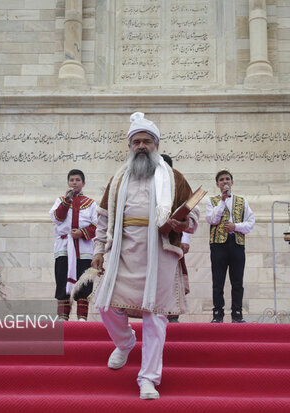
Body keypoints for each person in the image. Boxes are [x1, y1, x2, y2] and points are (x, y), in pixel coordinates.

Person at [91, 112, 199, 399]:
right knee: (104, 306)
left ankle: (148, 379)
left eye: (146, 141)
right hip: (122, 253)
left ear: (156, 145)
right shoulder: (117, 179)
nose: (141, 146)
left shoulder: (174, 177)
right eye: (136, 141)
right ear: (129, 146)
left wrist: (182, 223)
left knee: (156, 317)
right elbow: (102, 219)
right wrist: (99, 251)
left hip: (160, 253)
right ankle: (126, 343)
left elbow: (194, 214)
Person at [206, 170, 255, 323]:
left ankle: (237, 313)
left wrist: (236, 226)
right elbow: (212, 220)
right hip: (218, 245)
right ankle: (218, 314)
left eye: (227, 179)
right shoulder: (212, 201)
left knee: (237, 281)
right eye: (221, 180)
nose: (225, 181)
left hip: (237, 244)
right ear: (217, 184)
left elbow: (250, 223)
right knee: (218, 281)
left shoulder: (242, 201)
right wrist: (222, 201)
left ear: (232, 182)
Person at [49, 169, 97, 321]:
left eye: (77, 180)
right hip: (64, 248)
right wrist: (66, 201)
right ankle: (63, 316)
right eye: (71, 180)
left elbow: (98, 226)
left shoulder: (91, 203)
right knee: (62, 279)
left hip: (84, 249)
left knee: (84, 281)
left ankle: (82, 317)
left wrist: (82, 233)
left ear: (83, 183)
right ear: (68, 183)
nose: (74, 183)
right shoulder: (60, 201)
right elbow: (57, 218)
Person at [161, 154, 191, 323]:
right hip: (151, 244)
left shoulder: (179, 184)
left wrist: (185, 237)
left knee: (172, 281)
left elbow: (189, 212)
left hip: (172, 242)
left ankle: (173, 318)